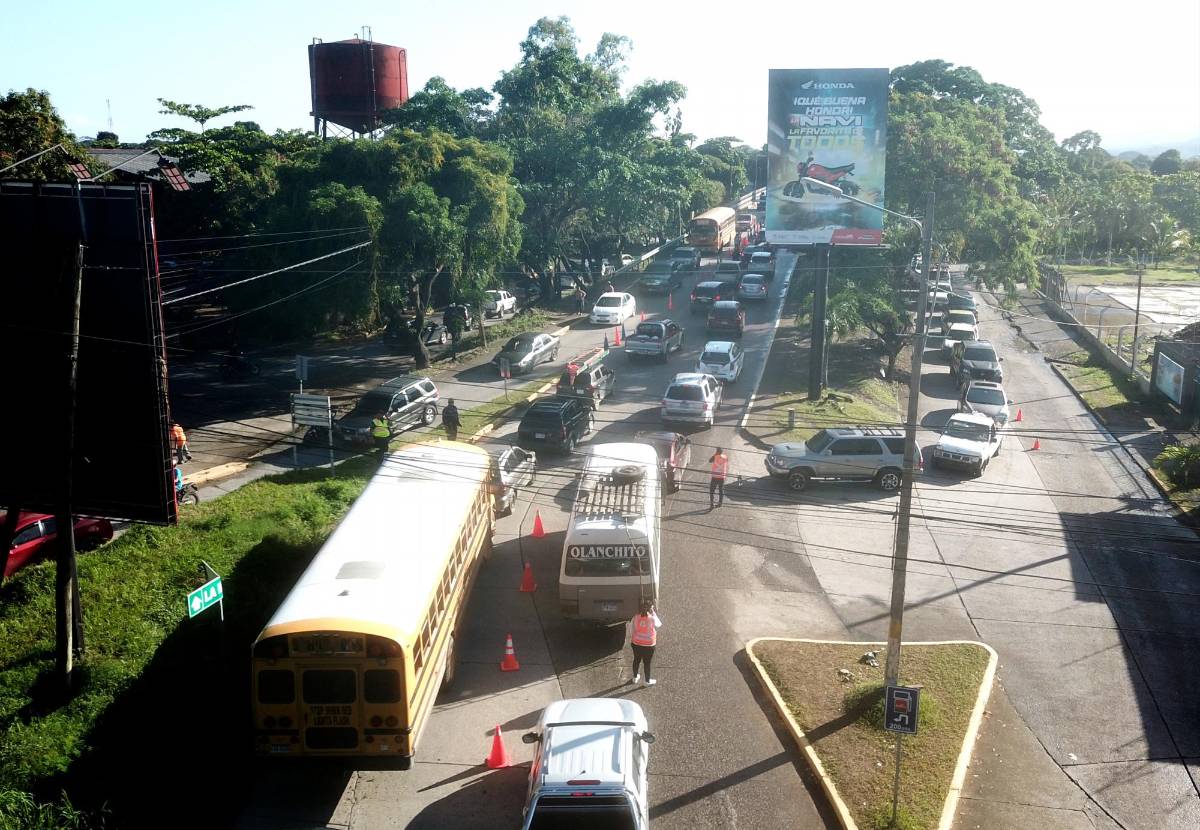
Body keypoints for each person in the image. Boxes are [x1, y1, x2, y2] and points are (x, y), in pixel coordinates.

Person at [627, 600, 662, 687]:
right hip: (649, 644)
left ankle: (635, 677)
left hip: (636, 643)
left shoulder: (635, 617)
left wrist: (633, 638)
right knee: (647, 663)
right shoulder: (652, 618)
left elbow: (631, 629)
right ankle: (647, 681)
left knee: (636, 660)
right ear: (650, 608)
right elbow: (659, 624)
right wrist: (653, 612)